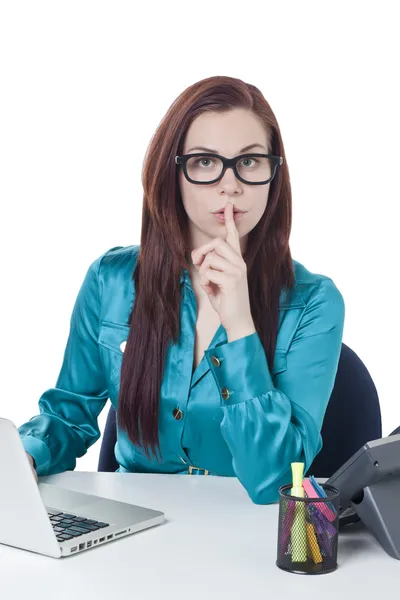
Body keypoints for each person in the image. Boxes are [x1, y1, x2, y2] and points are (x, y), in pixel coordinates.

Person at [19, 75, 345, 504]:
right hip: (133, 534)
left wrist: (239, 324)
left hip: (248, 543)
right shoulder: (111, 280)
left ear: (274, 173)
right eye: (205, 162)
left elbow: (276, 482)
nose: (231, 184)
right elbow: (67, 417)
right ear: (172, 173)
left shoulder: (314, 302)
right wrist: (21, 458)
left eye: (249, 162)